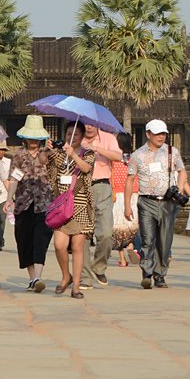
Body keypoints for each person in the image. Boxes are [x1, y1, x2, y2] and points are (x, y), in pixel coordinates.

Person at [125, 119, 189, 289]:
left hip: (168, 203)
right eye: (157, 133)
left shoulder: (172, 152)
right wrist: (127, 206)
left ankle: (160, 274)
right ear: (148, 134)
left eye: (163, 134)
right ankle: (147, 273)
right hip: (146, 201)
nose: (161, 137)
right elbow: (130, 180)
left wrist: (179, 188)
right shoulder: (137, 155)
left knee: (164, 241)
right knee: (148, 239)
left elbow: (182, 171)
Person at [48, 124, 97, 299]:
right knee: (59, 245)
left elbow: (86, 168)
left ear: (82, 136)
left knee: (77, 246)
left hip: (80, 205)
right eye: (69, 133)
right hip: (61, 207)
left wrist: (73, 155)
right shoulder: (59, 154)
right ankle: (65, 276)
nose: (72, 136)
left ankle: (76, 286)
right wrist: (48, 150)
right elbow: (45, 163)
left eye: (76, 134)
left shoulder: (88, 153)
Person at [9, 116, 56, 291]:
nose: (33, 141)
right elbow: (14, 178)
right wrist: (9, 198)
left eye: (36, 137)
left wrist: (51, 151)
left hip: (44, 204)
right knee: (24, 240)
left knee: (41, 240)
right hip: (23, 203)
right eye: (31, 137)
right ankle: (32, 279)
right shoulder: (18, 155)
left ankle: (38, 277)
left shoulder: (48, 154)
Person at [82, 125, 121, 288]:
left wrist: (95, 148)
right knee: (82, 235)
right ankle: (85, 276)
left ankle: (99, 266)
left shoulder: (108, 138)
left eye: (92, 123)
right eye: (85, 123)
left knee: (105, 234)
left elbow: (118, 156)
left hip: (102, 186)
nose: (88, 126)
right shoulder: (76, 136)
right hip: (80, 187)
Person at [109, 150, 137, 267]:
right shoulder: (134, 160)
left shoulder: (113, 161)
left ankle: (122, 259)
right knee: (132, 225)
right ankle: (131, 245)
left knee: (118, 228)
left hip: (118, 194)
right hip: (134, 193)